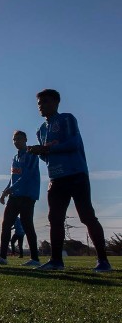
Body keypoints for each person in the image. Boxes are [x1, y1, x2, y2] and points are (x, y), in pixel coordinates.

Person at [27, 89, 112, 272]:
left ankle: (103, 261)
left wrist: (46, 150)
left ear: (57, 103)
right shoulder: (40, 130)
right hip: (55, 178)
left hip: (76, 174)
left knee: (86, 216)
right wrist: (40, 152)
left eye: (46, 102)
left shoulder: (67, 119)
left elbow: (74, 144)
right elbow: (47, 157)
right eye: (39, 103)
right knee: (55, 219)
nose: (41, 106)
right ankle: (56, 260)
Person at [0, 130, 41, 267]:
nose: (16, 141)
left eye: (19, 138)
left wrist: (10, 189)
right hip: (14, 196)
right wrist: (5, 192)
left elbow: (27, 176)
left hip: (27, 196)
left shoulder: (31, 155)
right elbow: (13, 179)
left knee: (27, 225)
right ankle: (2, 257)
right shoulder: (15, 157)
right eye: (14, 139)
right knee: (6, 225)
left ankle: (35, 258)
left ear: (25, 139)